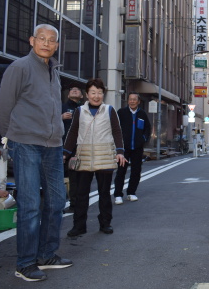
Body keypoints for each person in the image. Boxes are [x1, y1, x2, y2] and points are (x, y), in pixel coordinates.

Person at [0, 24, 72, 282]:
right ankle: (25, 263)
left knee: (57, 201)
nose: (47, 43)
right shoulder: (19, 67)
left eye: (52, 40)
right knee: (29, 204)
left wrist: (57, 135)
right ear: (32, 40)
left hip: (52, 146)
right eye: (42, 39)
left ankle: (46, 255)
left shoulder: (54, 71)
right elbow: (2, 108)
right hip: (25, 143)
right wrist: (12, 137)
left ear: (57, 45)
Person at [63, 78, 126, 237]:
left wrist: (120, 152)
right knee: (80, 194)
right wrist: (65, 153)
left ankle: (105, 223)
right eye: (93, 92)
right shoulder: (79, 111)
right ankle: (79, 226)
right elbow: (73, 133)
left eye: (99, 93)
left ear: (103, 94)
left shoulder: (109, 110)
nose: (96, 96)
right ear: (87, 94)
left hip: (104, 157)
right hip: (84, 158)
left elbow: (117, 132)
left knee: (104, 193)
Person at [113, 92, 151, 204]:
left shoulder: (142, 114)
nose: (132, 101)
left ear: (139, 101)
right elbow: (116, 128)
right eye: (130, 99)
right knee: (121, 171)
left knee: (136, 171)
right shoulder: (121, 112)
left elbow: (147, 129)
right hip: (124, 148)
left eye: (135, 99)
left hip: (138, 148)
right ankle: (118, 194)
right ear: (128, 101)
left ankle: (131, 193)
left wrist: (143, 139)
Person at [61, 84, 83, 213]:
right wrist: (61, 117)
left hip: (77, 149)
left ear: (81, 95)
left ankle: (75, 204)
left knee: (75, 178)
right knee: (58, 177)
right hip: (60, 147)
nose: (74, 90)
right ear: (68, 94)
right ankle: (58, 205)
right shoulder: (62, 107)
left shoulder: (83, 109)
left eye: (77, 90)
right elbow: (49, 121)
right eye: (72, 90)